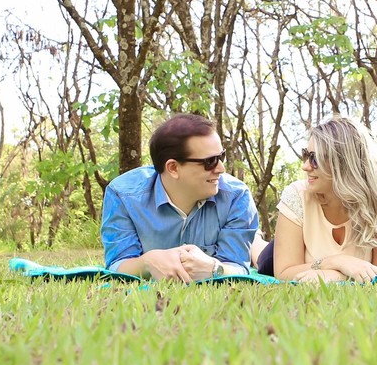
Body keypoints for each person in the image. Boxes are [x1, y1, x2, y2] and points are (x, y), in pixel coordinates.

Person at [101, 113, 259, 282]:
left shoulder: (236, 197)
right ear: (173, 168)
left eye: (221, 157)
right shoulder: (123, 195)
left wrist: (214, 269)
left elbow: (238, 267)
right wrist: (147, 262)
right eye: (210, 161)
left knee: (262, 252)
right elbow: (117, 265)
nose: (221, 168)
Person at [256, 115, 377, 282]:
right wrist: (338, 262)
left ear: (344, 162)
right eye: (306, 155)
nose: (305, 166)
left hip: (313, 265)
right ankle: (255, 242)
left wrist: (337, 275)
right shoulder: (297, 195)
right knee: (260, 259)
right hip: (274, 255)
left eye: (314, 158)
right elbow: (284, 271)